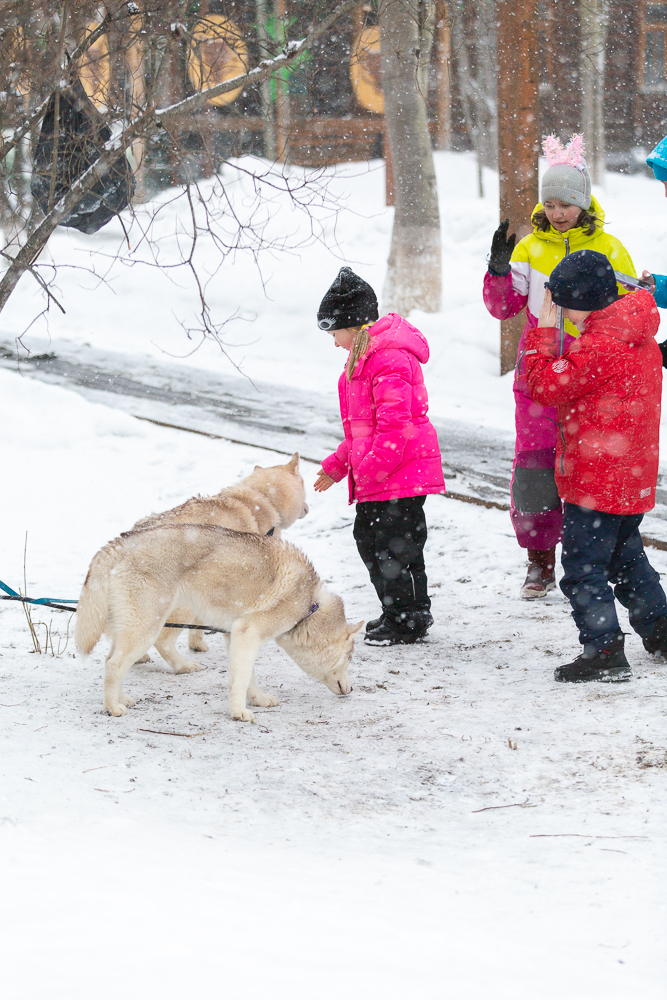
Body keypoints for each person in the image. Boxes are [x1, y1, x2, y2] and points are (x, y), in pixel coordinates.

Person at [483, 134, 636, 600]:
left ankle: (593, 555)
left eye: (567, 202)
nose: (558, 212)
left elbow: (630, 307)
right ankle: (539, 560)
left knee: (593, 468)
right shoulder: (530, 248)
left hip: (592, 379)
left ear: (583, 203)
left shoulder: (610, 248)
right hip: (539, 379)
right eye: (549, 203)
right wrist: (498, 269)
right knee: (535, 471)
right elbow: (504, 307)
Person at [525, 249, 667, 683]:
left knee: (584, 567)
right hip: (630, 477)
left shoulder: (600, 346)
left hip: (595, 481)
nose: (561, 312)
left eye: (563, 303)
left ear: (581, 301)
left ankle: (604, 650)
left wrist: (543, 336)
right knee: (625, 559)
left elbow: (544, 385)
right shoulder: (635, 335)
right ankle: (661, 631)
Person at [313, 267, 445, 646]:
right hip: (386, 477)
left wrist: (369, 470)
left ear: (353, 327)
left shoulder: (388, 360)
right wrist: (338, 466)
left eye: (334, 333)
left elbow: (394, 428)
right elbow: (361, 432)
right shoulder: (363, 361)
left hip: (397, 478)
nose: (334, 343)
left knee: (392, 547)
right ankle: (402, 612)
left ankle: (407, 618)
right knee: (380, 543)